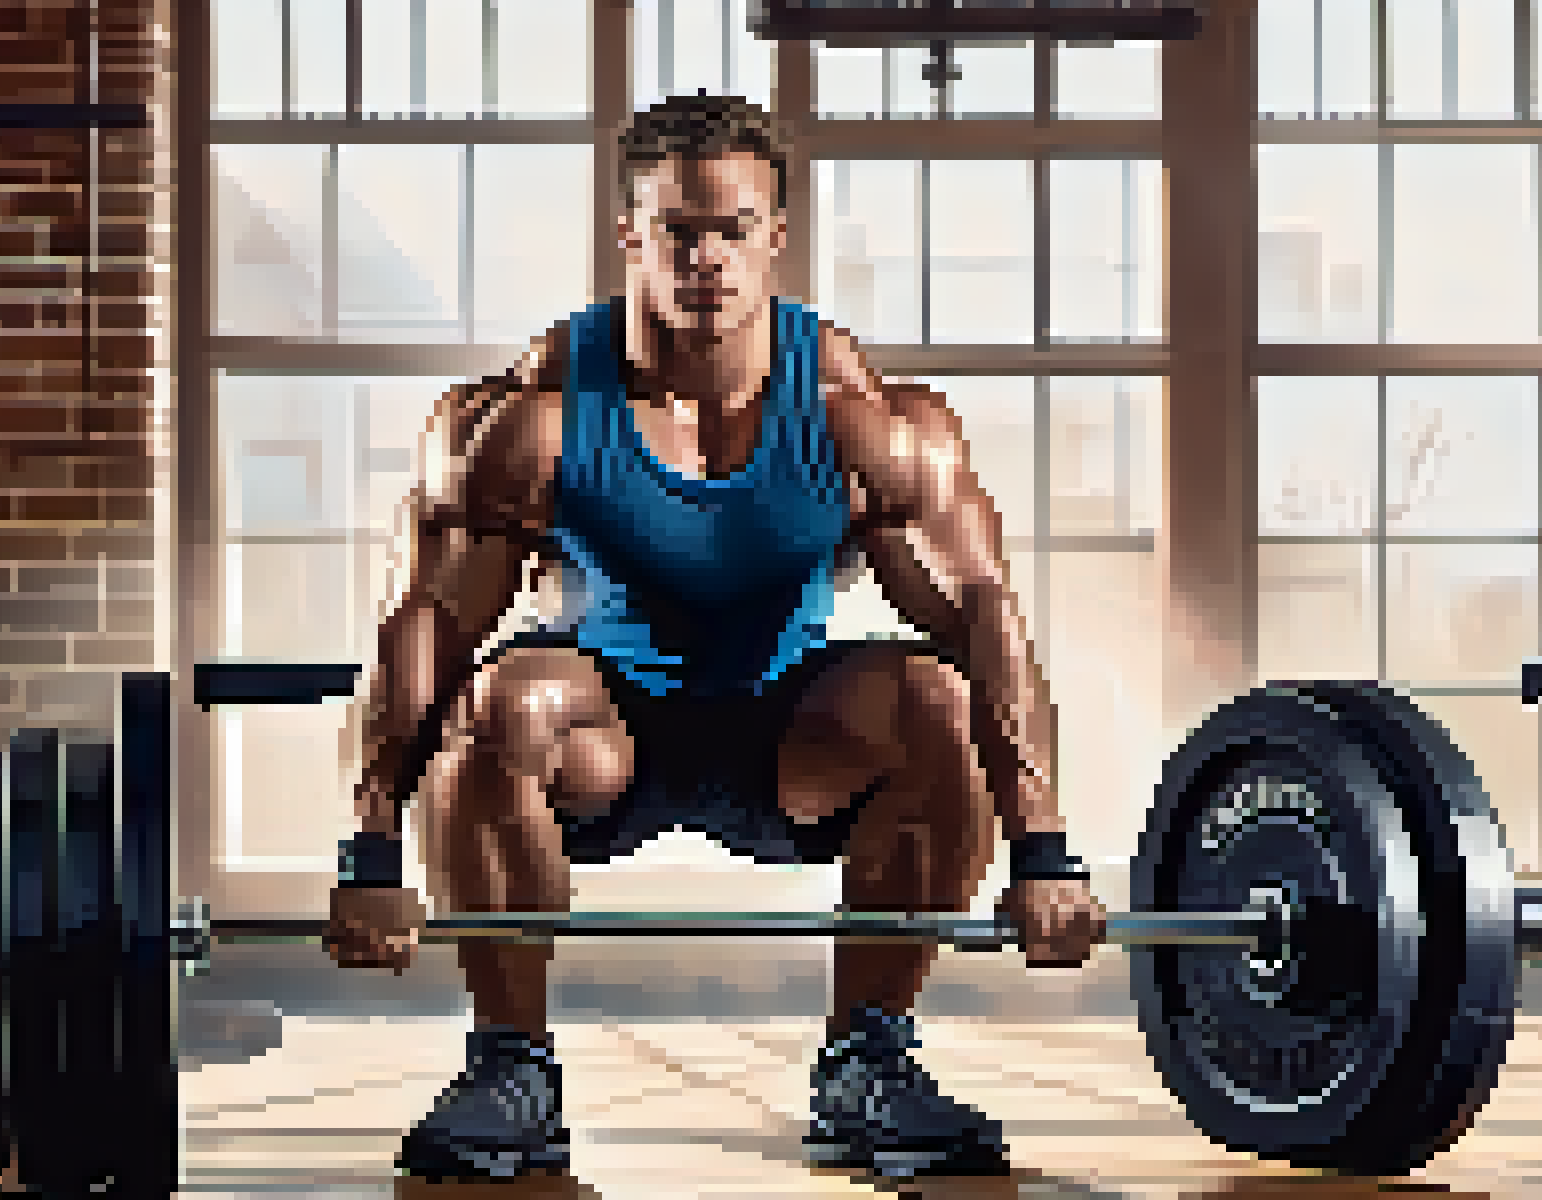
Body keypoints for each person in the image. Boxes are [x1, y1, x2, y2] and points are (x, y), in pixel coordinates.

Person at [322, 92, 1108, 1182]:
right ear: (629, 236)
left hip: (791, 738)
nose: (707, 260)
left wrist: (1044, 852)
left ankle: (867, 1060)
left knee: (935, 700)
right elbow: (430, 624)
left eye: (733, 230)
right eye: (679, 231)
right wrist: (369, 852)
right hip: (602, 737)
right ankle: (511, 1066)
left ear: (774, 237)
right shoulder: (529, 420)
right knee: (503, 702)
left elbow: (983, 615)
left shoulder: (860, 418)